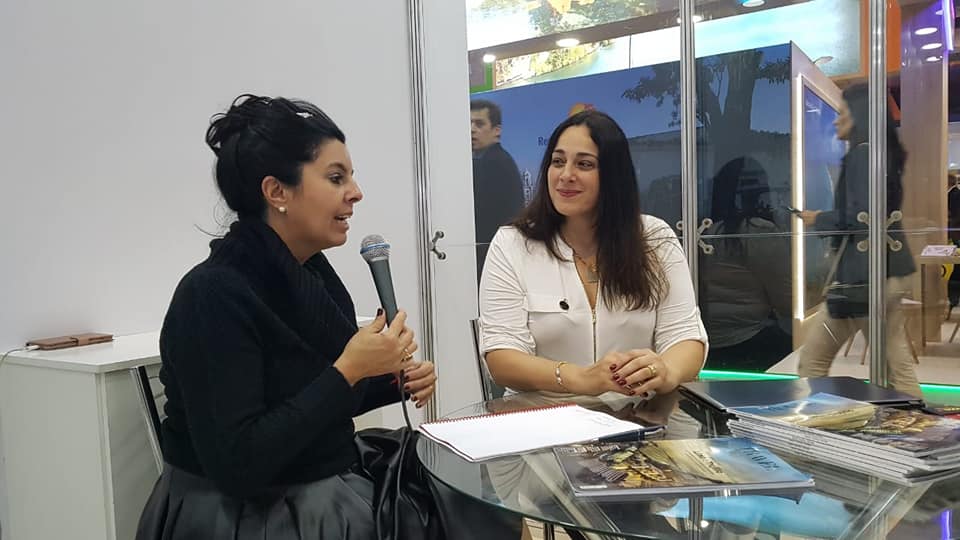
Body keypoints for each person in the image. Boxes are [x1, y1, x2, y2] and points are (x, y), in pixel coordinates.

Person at [136, 94, 518, 539]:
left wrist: (387, 379)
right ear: (277, 192)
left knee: (477, 493)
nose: (356, 193)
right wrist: (351, 369)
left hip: (317, 483)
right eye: (337, 178)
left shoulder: (311, 275)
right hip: (247, 515)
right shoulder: (213, 295)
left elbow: (306, 394)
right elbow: (238, 463)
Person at [479, 110, 707, 398]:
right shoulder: (512, 243)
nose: (566, 175)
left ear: (613, 176)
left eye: (584, 164)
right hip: (542, 414)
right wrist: (580, 378)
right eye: (558, 162)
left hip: (638, 412)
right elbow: (501, 358)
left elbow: (686, 337)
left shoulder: (654, 238)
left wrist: (665, 371)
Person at [798, 83, 920, 397]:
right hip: (885, 271)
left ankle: (816, 419)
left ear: (860, 116)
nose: (836, 120)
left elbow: (861, 216)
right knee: (895, 362)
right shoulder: (881, 155)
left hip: (864, 277)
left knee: (813, 361)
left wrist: (818, 219)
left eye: (843, 113)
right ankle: (914, 418)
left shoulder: (862, 156)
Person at [700, 157, 793, 372]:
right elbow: (787, 302)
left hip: (705, 343)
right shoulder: (759, 231)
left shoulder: (707, 231)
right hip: (750, 339)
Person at [471, 99, 525, 279]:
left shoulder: (494, 163)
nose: (472, 129)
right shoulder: (492, 159)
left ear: (497, 130)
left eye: (479, 124)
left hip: (491, 258)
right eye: (469, 123)